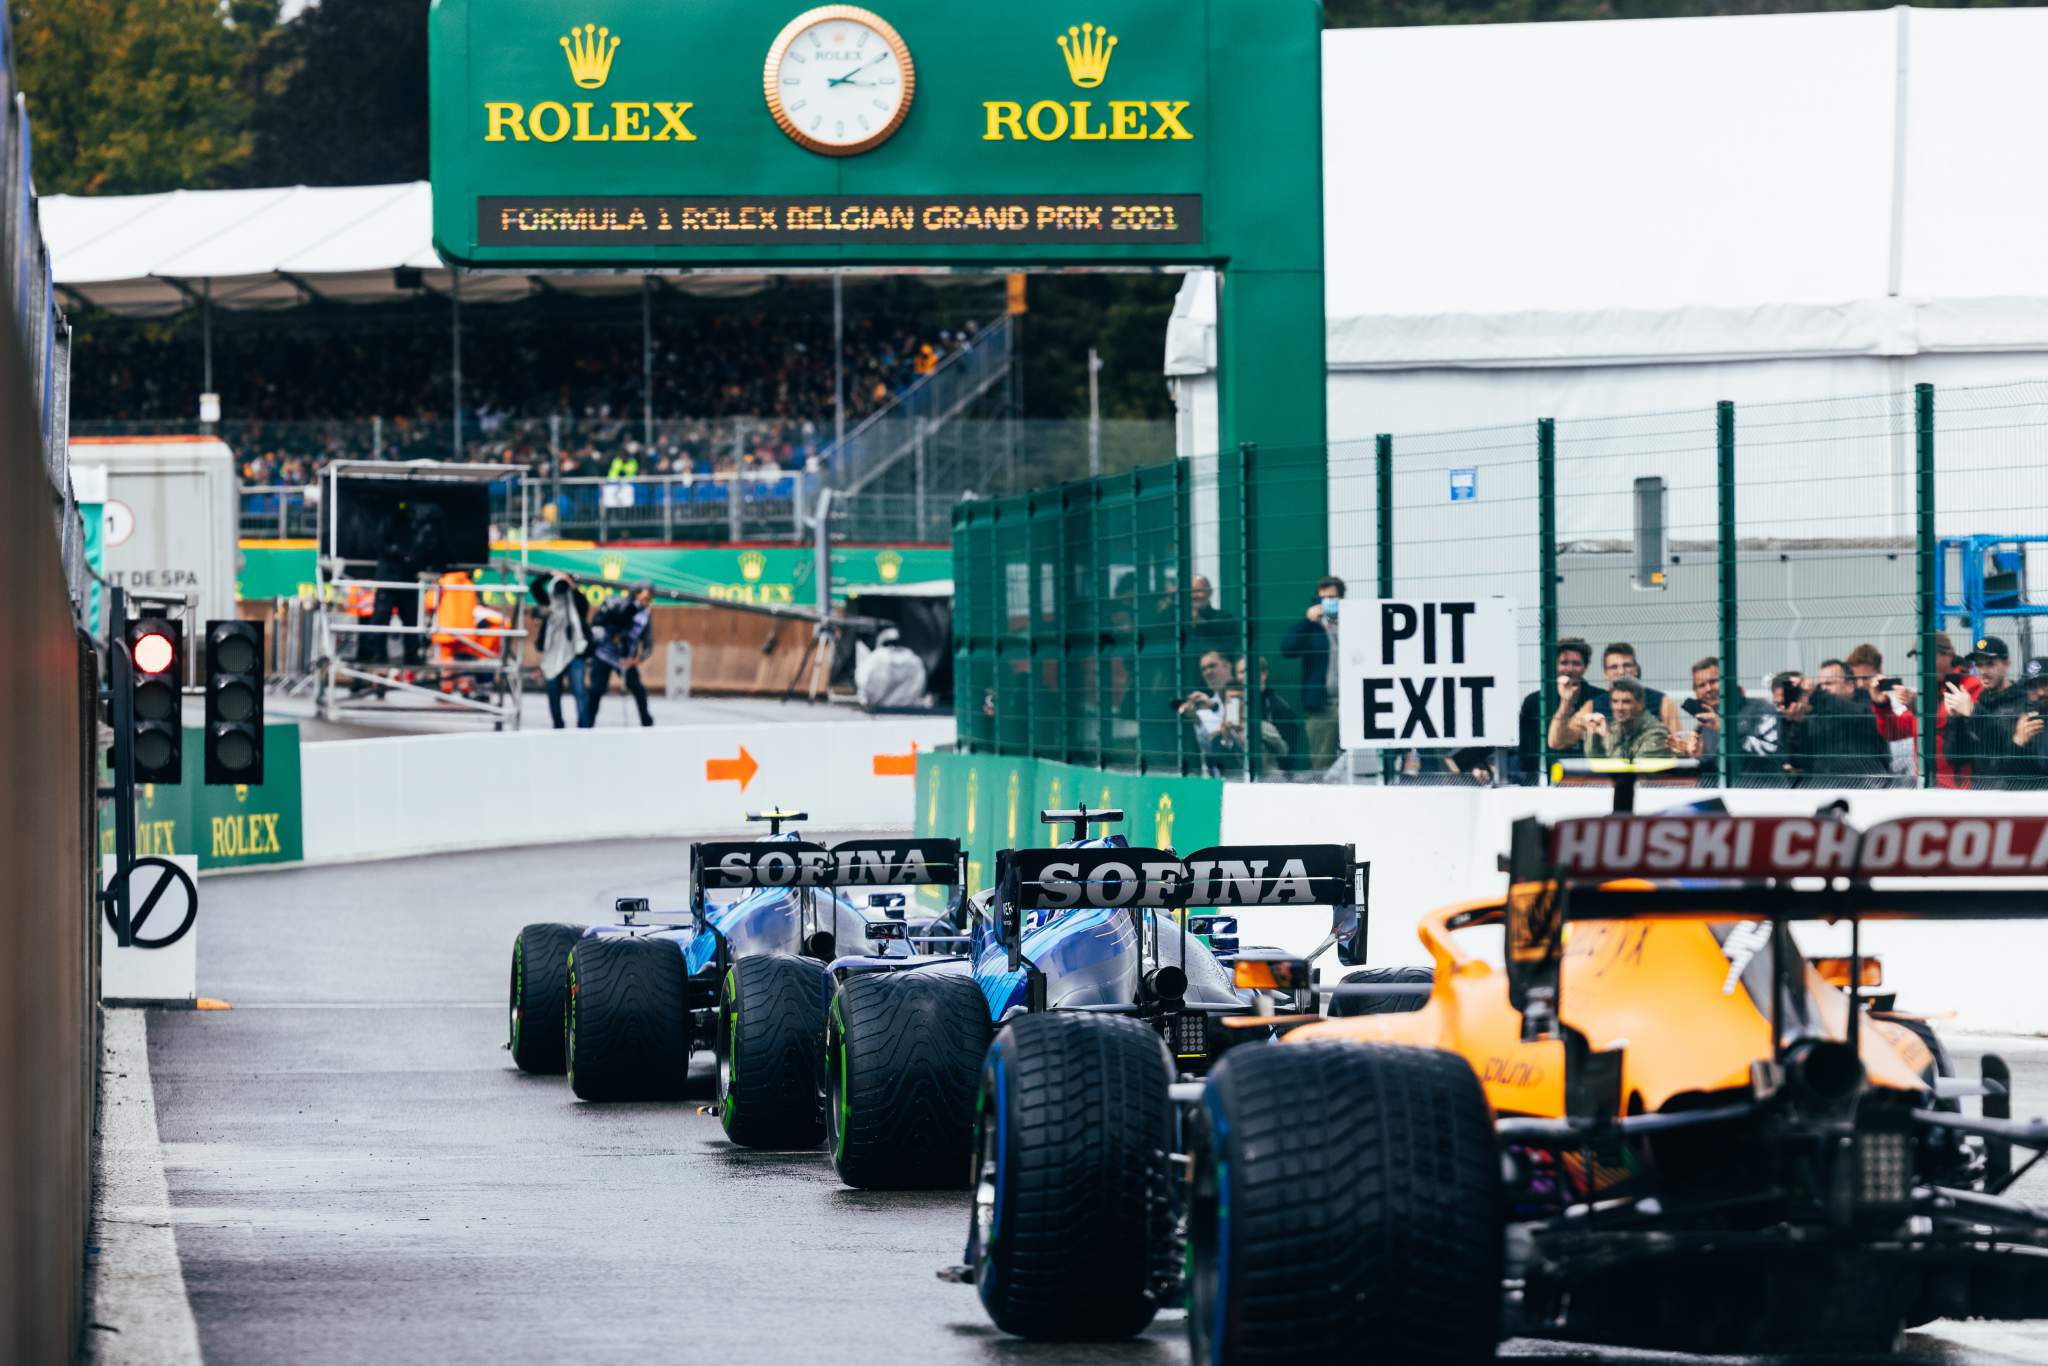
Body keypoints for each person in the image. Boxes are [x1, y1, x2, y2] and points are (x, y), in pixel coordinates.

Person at [1667, 655, 1781, 780]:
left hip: (1762, 793)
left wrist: (1725, 730)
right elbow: (1712, 770)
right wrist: (1691, 754)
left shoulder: (1761, 709)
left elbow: (1773, 752)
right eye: (1701, 685)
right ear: (1696, 692)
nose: (1708, 689)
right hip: (1718, 795)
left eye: (1713, 681)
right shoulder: (1703, 726)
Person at [1280, 575, 1346, 773]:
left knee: (1357, 762)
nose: (1328, 603)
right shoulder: (1312, 629)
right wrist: (1307, 621)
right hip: (1322, 708)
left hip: (1352, 707)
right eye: (1323, 598)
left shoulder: (1353, 624)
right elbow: (1288, 648)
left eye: (1333, 597)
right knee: (1322, 765)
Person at [1952, 636, 2028, 788]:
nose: (1984, 671)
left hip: (2016, 795)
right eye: (1979, 665)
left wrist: (1974, 714)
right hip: (1982, 796)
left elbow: (2004, 750)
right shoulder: (1976, 703)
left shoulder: (2024, 703)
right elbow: (1955, 758)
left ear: (2007, 664)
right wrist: (1956, 720)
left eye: (1990, 664)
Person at [1845, 642, 1917, 781]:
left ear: (1879, 673)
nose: (1860, 684)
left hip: (1903, 779)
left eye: (1866, 678)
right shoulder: (1846, 706)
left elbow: (1899, 736)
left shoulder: (1899, 699)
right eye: (1855, 678)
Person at [586, 586, 656, 726]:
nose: (644, 602)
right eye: (642, 598)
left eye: (648, 599)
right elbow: (600, 621)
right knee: (597, 689)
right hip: (604, 654)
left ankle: (646, 721)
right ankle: (587, 723)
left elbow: (648, 642)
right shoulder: (619, 605)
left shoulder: (644, 615)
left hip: (624, 658)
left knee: (637, 688)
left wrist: (637, 659)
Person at [529, 572, 590, 729]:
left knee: (580, 692)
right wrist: (550, 574)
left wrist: (571, 585)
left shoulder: (576, 602)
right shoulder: (549, 601)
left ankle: (584, 727)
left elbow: (585, 604)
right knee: (553, 693)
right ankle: (558, 725)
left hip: (574, 653)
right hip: (553, 654)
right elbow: (534, 587)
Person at [1542, 637, 1612, 761]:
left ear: (1585, 667)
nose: (1569, 669)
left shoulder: (1600, 698)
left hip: (1588, 770)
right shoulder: (1536, 701)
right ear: (1555, 664)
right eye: (1564, 663)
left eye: (1576, 664)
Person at [1580, 676, 1671, 761]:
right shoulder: (1614, 728)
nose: (1619, 707)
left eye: (1626, 702)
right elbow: (1594, 762)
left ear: (1640, 704)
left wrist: (1607, 736)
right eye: (1615, 701)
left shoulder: (1657, 734)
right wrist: (1592, 733)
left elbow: (1629, 771)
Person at [1602, 642, 1681, 733]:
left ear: (1636, 669)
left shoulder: (1663, 702)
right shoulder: (1594, 704)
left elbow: (1678, 742)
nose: (1621, 672)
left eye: (1627, 665)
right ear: (1605, 673)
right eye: (1614, 667)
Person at [856, 626, 929, 712]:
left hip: (877, 710)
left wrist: (865, 699)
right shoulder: (915, 661)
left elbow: (862, 681)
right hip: (906, 712)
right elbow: (918, 688)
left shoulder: (876, 658)